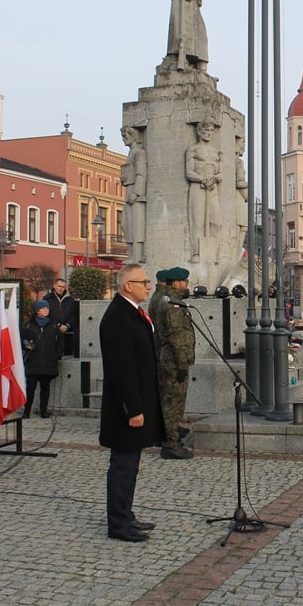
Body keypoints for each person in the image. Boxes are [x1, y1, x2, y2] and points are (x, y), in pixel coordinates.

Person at [99, 264, 165, 542]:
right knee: (123, 465)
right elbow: (121, 369)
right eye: (144, 281)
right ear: (128, 285)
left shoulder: (132, 313)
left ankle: (125, 514)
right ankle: (118, 523)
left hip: (138, 402)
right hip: (125, 409)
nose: (148, 286)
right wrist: (133, 409)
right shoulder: (118, 316)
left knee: (131, 464)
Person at [153, 267, 196, 459]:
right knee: (173, 402)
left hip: (169, 357)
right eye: (185, 282)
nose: (187, 285)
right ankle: (170, 444)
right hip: (173, 360)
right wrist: (181, 364)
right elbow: (177, 337)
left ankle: (169, 436)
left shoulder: (170, 301)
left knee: (170, 401)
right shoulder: (172, 305)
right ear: (177, 283)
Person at [185, 118, 223, 262]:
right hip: (198, 187)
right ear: (199, 132)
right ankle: (197, 252)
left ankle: (215, 251)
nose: (208, 133)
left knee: (216, 222)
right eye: (205, 130)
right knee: (197, 221)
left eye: (211, 131)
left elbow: (221, 173)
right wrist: (202, 179)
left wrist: (213, 179)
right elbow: (189, 172)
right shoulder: (192, 150)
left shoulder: (216, 152)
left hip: (212, 188)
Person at [21, 300, 63, 419]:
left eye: (47, 309)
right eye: (43, 308)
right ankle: (27, 410)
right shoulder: (28, 324)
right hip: (33, 361)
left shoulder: (53, 325)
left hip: (48, 361)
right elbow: (21, 338)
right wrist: (27, 345)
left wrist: (58, 355)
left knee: (45, 387)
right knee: (31, 387)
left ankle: (43, 410)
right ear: (37, 310)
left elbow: (60, 341)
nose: (46, 310)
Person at [119, 126, 148, 263]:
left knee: (136, 225)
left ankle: (137, 256)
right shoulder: (130, 153)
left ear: (134, 135)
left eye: (126, 136)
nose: (124, 139)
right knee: (126, 224)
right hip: (128, 188)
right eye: (123, 137)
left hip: (135, 192)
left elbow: (141, 173)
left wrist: (136, 192)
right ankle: (132, 254)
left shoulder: (139, 153)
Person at [44, 278, 78, 357]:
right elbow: (46, 315)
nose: (60, 288)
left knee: (68, 356)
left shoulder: (71, 299)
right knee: (54, 355)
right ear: (54, 286)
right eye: (59, 286)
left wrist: (67, 325)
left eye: (63, 287)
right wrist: (58, 325)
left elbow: (75, 314)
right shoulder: (47, 299)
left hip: (68, 333)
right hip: (53, 332)